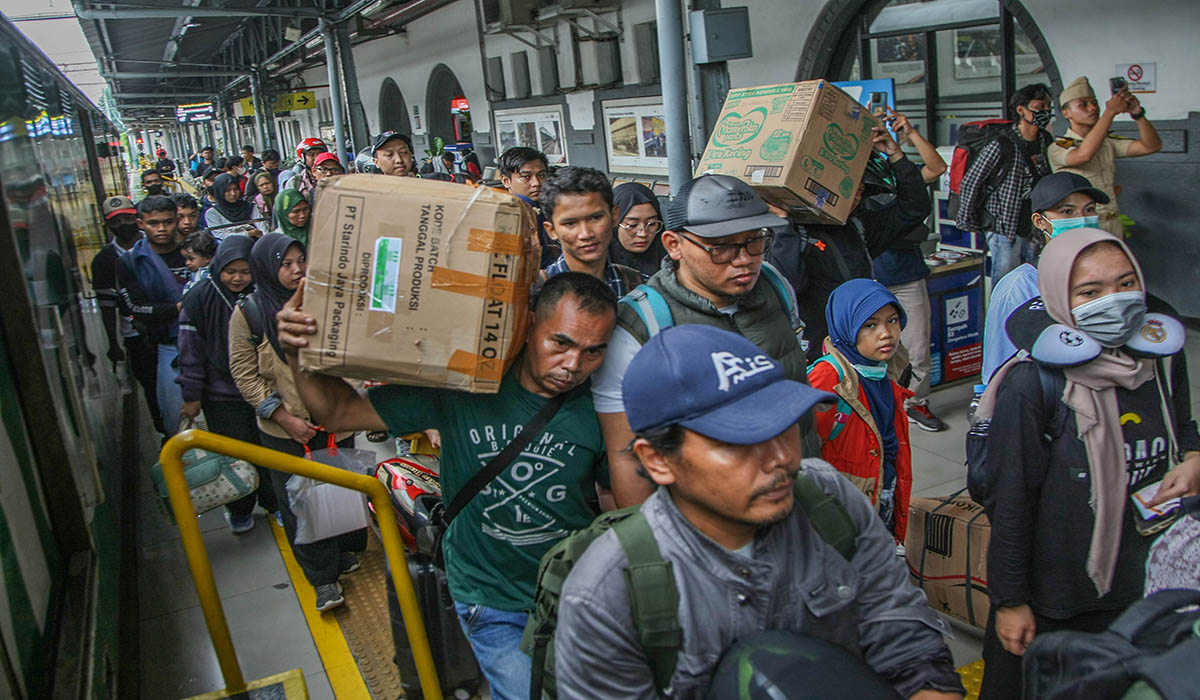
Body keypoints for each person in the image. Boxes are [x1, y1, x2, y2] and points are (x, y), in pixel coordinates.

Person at [554, 325, 966, 700]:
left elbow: (902, 633)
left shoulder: (829, 501)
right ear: (659, 460)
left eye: (782, 425)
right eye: (737, 443)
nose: (781, 459)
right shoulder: (606, 596)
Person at [276, 272, 617, 699]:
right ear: (529, 325)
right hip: (488, 596)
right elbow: (340, 412)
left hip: (574, 597)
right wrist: (297, 351)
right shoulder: (466, 387)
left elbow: (611, 506)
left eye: (593, 352)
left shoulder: (603, 413)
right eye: (560, 343)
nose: (572, 366)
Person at [977, 229, 1200, 697]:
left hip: (1143, 585)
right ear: (1061, 296)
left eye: (1125, 284)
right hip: (1060, 596)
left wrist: (1195, 457)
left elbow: (1183, 423)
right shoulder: (1032, 386)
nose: (1114, 301)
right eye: (1091, 292)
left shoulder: (1158, 359)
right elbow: (1011, 501)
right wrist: (1011, 601)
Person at [590, 173, 819, 508]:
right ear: (674, 245)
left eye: (755, 241)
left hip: (799, 498)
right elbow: (626, 458)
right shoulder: (640, 323)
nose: (743, 260)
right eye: (722, 247)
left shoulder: (775, 285)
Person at [228, 233, 366, 612]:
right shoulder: (250, 314)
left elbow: (347, 354)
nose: (297, 270)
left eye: (300, 260)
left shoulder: (324, 300)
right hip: (285, 430)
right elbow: (244, 374)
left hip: (335, 422)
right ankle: (322, 580)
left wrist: (352, 402)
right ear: (267, 269)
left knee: (337, 492)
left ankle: (341, 553)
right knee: (300, 503)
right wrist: (283, 416)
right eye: (285, 264)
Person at [775, 125, 930, 363]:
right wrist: (783, 226)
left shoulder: (858, 226)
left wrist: (896, 156)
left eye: (859, 190)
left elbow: (914, 207)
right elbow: (788, 284)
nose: (854, 196)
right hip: (820, 355)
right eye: (848, 190)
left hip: (864, 353)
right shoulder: (791, 233)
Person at [177, 235, 277, 533]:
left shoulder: (264, 294)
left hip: (264, 389)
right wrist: (191, 395)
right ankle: (240, 509)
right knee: (236, 454)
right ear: (218, 266)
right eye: (230, 271)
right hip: (222, 395)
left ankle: (274, 503)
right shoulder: (198, 298)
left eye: (245, 271)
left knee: (269, 451)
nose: (237, 278)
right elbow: (190, 353)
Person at [808, 279, 913, 544]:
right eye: (869, 325)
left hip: (881, 495)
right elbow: (800, 453)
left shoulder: (887, 369)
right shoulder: (826, 378)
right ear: (846, 327)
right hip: (844, 515)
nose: (886, 333)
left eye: (892, 320)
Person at [980, 172, 1108, 384]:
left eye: (1090, 209)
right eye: (1067, 211)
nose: (1083, 219)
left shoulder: (1110, 275)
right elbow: (998, 369)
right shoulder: (1020, 286)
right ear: (1041, 222)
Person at [870, 110, 949, 432]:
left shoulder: (898, 172)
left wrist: (907, 137)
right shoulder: (850, 179)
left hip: (906, 272)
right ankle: (879, 406)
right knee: (874, 349)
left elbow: (937, 168)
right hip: (869, 277)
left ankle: (915, 403)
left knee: (917, 347)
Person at [955, 83, 1055, 283]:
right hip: (1004, 225)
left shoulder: (1045, 139)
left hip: (1034, 223)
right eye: (1039, 106)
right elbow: (971, 181)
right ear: (1021, 109)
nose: (1045, 112)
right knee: (1006, 281)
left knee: (1036, 277)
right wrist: (968, 220)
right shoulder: (1002, 142)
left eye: (1048, 107)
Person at [1048, 77, 1163, 238]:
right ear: (1066, 112)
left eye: (1094, 103)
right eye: (1083, 104)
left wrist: (1137, 113)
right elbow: (1083, 155)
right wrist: (1110, 112)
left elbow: (1152, 146)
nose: (1092, 108)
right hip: (1083, 225)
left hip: (1113, 222)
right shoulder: (1058, 147)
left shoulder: (1107, 142)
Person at [92, 195, 165, 436]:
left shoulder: (158, 245)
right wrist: (114, 343)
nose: (123, 225)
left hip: (168, 328)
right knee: (152, 387)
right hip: (135, 336)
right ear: (107, 225)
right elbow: (106, 305)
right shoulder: (104, 260)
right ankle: (165, 429)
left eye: (127, 218)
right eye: (116, 221)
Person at [116, 195, 188, 436]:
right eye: (153, 223)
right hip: (168, 347)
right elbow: (135, 307)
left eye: (167, 222)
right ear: (141, 224)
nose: (161, 229)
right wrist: (177, 309)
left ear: (177, 220)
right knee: (175, 418)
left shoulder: (197, 250)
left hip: (209, 342)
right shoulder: (130, 262)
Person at [538, 167, 644, 297]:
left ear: (614, 216)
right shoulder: (533, 295)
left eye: (595, 218)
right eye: (570, 223)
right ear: (551, 230)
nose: (586, 234)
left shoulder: (638, 287)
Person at [497, 146, 556, 267]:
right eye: (526, 177)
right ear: (506, 181)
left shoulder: (538, 205)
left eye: (541, 175)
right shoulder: (522, 209)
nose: (536, 183)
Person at [608, 182, 667, 279]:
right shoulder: (595, 268)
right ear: (614, 224)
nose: (643, 233)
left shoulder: (673, 264)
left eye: (652, 224)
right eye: (633, 225)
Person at [202, 172, 265, 237]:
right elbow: (221, 235)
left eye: (236, 189)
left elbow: (263, 229)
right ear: (220, 191)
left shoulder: (250, 207)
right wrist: (250, 233)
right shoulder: (213, 213)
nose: (233, 193)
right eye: (228, 190)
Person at [180, 229, 218, 296]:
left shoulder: (205, 276)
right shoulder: (195, 274)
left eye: (191, 259)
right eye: (186, 259)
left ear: (207, 258)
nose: (187, 263)